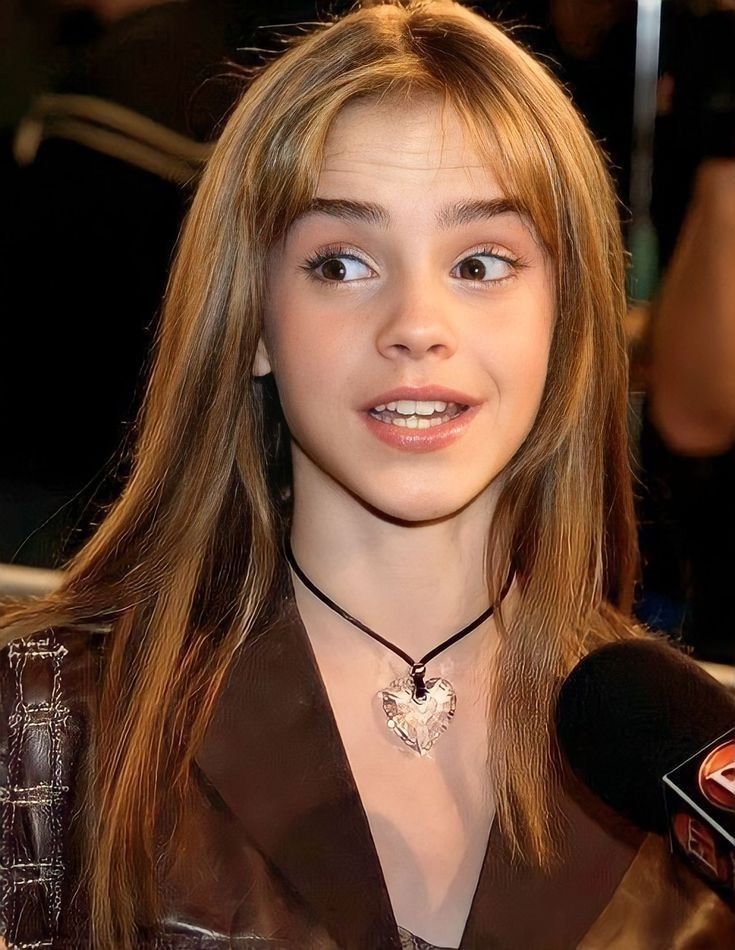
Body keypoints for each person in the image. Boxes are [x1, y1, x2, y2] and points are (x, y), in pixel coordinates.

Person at [1, 2, 733, 948]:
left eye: (480, 262)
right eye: (341, 264)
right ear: (254, 317)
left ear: (565, 316)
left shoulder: (685, 766)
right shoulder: (44, 722)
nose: (416, 324)